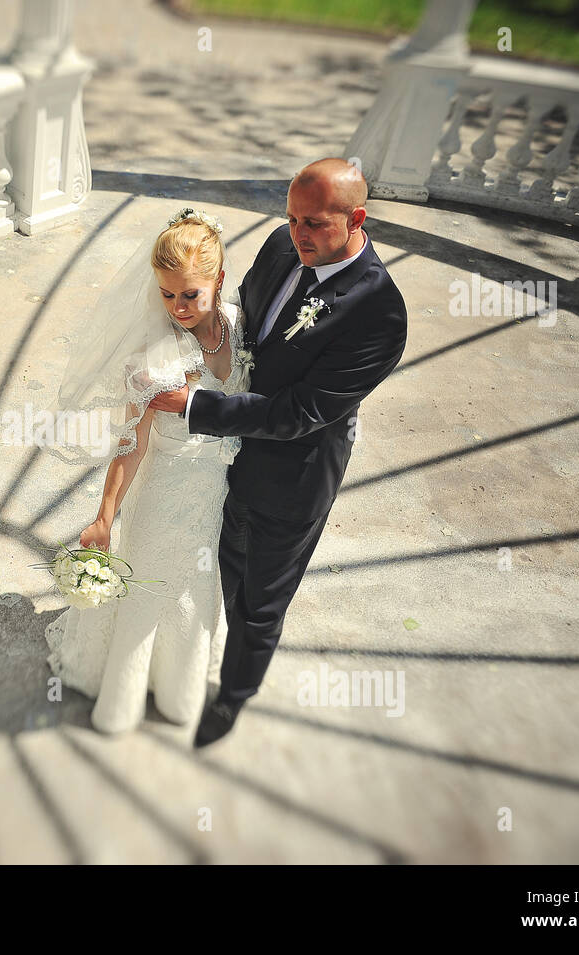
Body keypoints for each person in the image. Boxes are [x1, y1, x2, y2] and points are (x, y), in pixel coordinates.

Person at [148, 158, 408, 747]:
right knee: (219, 569)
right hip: (223, 464)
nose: (298, 234)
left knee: (260, 606)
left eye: (313, 224)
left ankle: (233, 697)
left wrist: (194, 407)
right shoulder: (280, 245)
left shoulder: (381, 314)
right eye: (291, 219)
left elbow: (301, 413)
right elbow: (243, 321)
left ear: (356, 218)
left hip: (291, 482)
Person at [42, 207, 250, 734]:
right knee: (153, 587)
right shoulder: (151, 362)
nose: (177, 307)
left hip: (220, 494)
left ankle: (179, 689)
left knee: (198, 589)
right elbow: (129, 443)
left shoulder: (240, 321)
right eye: (166, 294)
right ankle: (123, 697)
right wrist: (104, 517)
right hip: (166, 494)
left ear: (218, 280)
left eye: (190, 294)